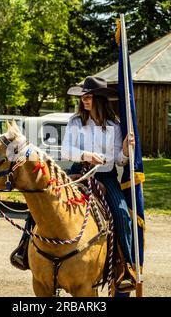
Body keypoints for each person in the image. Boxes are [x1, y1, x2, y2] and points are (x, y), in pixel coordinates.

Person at [61, 76, 136, 290]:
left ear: (100, 99)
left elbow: (120, 161)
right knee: (47, 198)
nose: (85, 99)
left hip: (105, 176)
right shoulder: (76, 122)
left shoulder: (114, 125)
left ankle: (126, 267)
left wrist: (124, 149)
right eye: (83, 96)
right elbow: (66, 151)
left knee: (122, 214)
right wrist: (86, 155)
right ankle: (24, 248)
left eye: (89, 96)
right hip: (79, 172)